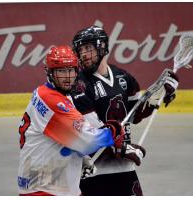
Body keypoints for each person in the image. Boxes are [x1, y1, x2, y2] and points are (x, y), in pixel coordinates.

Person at [71, 26, 179, 196]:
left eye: (88, 48)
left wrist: (159, 94)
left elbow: (135, 114)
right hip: (92, 168)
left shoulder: (123, 77)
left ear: (103, 47)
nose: (83, 54)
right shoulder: (79, 84)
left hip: (124, 167)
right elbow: (92, 131)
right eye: (80, 50)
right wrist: (123, 149)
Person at [17, 45, 126, 196]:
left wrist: (81, 158)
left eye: (71, 70)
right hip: (45, 189)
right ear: (49, 72)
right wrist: (113, 133)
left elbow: (66, 136)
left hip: (50, 184)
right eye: (61, 71)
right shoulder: (53, 101)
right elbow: (88, 141)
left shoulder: (48, 93)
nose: (68, 77)